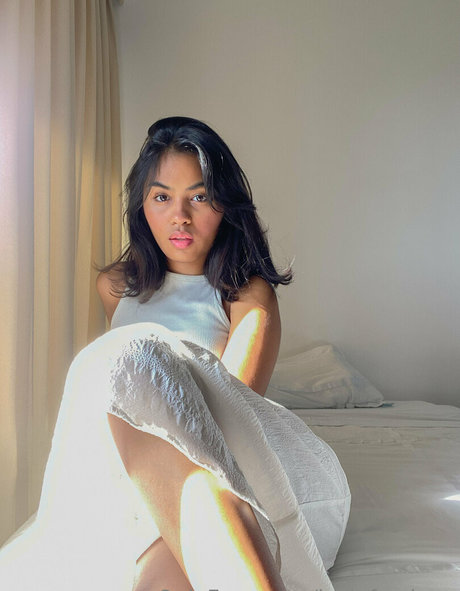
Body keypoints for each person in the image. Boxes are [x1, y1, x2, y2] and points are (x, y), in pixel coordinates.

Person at [97, 116, 293, 590]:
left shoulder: (247, 296)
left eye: (199, 197)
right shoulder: (115, 287)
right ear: (142, 205)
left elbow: (233, 423)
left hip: (217, 468)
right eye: (162, 197)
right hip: (130, 470)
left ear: (224, 204)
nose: (180, 216)